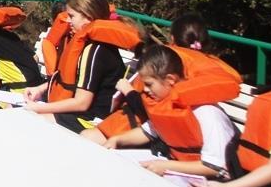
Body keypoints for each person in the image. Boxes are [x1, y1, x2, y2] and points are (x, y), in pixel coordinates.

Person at [101, 44, 238, 179]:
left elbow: (214, 167)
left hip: (214, 184)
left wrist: (166, 166)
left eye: (149, 84)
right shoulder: (167, 105)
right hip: (177, 171)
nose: (145, 90)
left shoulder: (208, 113)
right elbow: (149, 131)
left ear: (170, 80)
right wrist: (117, 139)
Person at [23, 0, 138, 132]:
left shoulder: (95, 51)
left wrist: (41, 108)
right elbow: (72, 80)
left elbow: (82, 103)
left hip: (94, 120)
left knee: (30, 120)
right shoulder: (87, 43)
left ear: (88, 17)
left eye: (71, 16)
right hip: (83, 113)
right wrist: (40, 89)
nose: (67, 20)